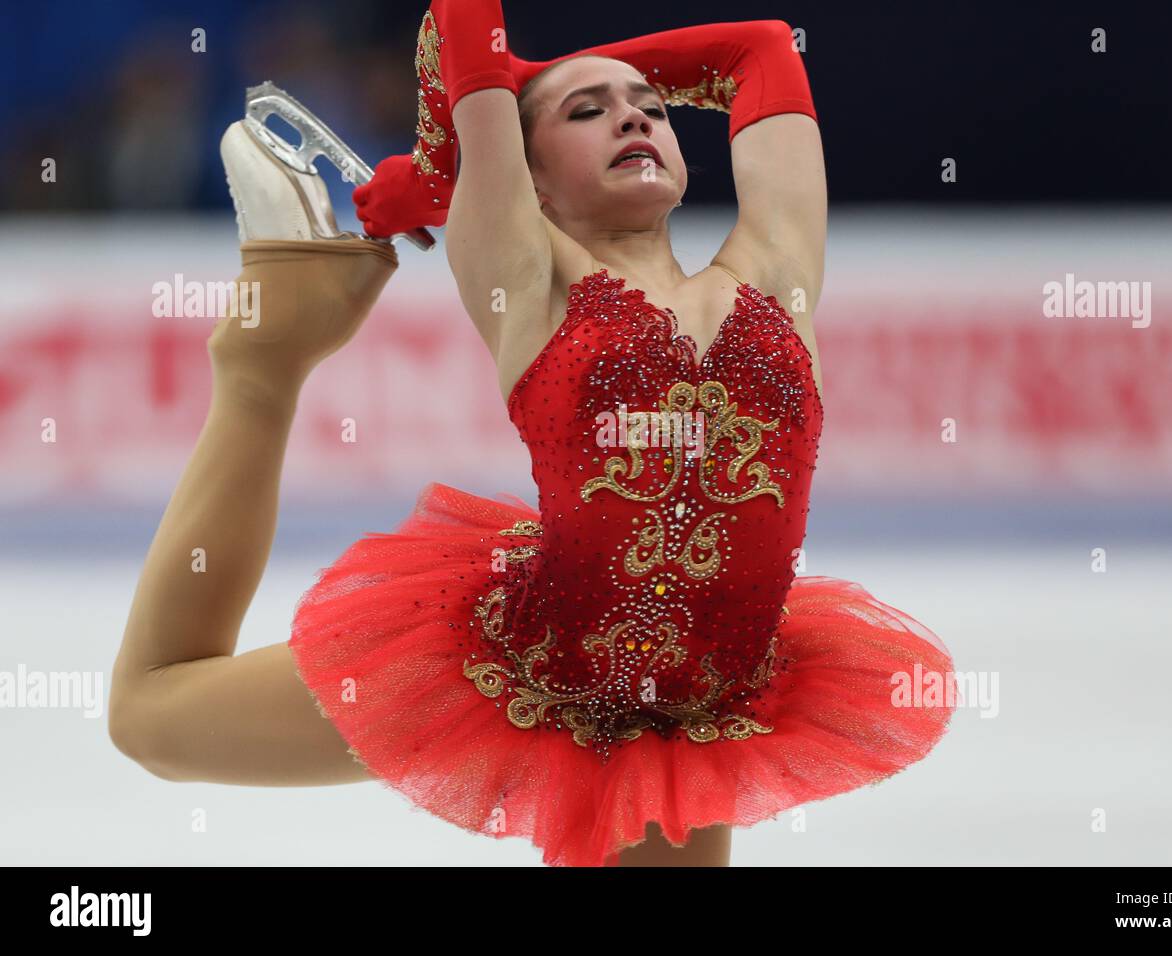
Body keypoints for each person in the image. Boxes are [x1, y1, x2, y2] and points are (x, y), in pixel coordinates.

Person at [110, 2, 957, 868]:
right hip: (529, 674)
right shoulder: (527, 278)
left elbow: (761, 48)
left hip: (700, 714)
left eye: (651, 107)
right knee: (152, 718)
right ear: (529, 182)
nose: (633, 116)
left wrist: (530, 84)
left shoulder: (776, 274)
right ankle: (260, 370)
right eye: (586, 113)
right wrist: (466, 152)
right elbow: (464, 20)